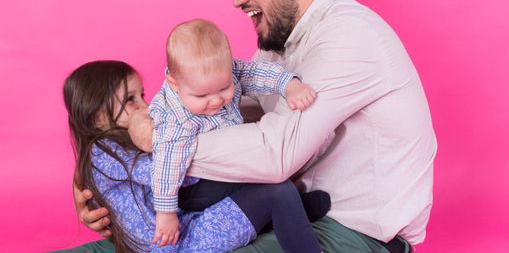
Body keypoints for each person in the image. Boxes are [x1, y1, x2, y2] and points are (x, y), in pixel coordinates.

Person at [74, 0, 437, 253]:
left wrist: (158, 144)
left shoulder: (351, 36)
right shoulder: (276, 50)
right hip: (282, 209)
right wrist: (109, 187)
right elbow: (221, 119)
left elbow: (273, 154)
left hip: (353, 232)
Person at [62, 60, 328, 253]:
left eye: (141, 95)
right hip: (180, 245)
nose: (145, 106)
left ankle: (289, 210)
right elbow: (166, 174)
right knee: (274, 189)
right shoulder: (103, 152)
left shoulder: (111, 149)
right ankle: (289, 209)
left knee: (260, 181)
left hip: (183, 223)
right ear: (97, 117)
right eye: (131, 100)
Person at [142, 19, 324, 249]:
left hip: (228, 164)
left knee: (275, 164)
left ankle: (291, 209)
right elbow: (166, 165)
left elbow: (256, 73)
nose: (216, 100)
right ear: (175, 84)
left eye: (223, 88)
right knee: (273, 179)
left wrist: (289, 85)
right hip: (195, 187)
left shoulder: (228, 73)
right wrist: (166, 212)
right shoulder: (175, 120)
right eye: (202, 96)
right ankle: (293, 214)